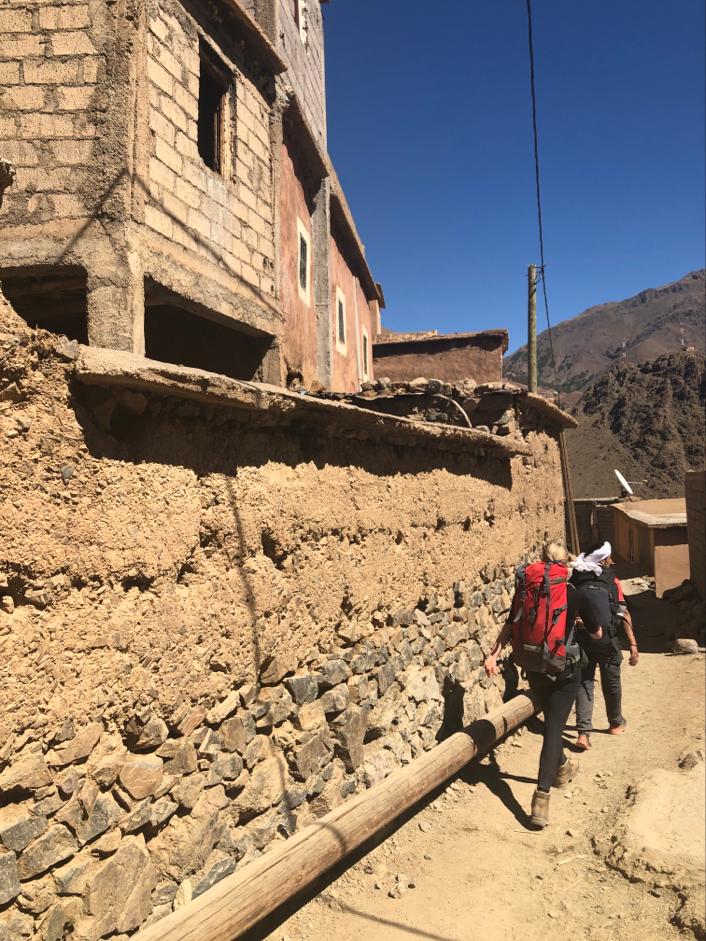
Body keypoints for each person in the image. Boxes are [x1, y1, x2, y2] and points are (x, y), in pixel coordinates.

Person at [484, 542, 602, 829]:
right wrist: (578, 626)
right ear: (565, 566)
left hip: (534, 667)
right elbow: (598, 633)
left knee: (551, 719)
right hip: (564, 670)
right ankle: (541, 798)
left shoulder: (526, 591)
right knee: (554, 729)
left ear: (540, 561)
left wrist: (494, 655)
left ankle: (561, 768)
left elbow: (511, 625)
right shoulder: (574, 594)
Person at [570, 541, 639, 750]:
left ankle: (583, 733)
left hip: (582, 640)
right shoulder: (612, 581)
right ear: (603, 560)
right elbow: (623, 612)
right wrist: (633, 644)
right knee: (612, 682)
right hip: (607, 640)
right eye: (610, 557)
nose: (613, 561)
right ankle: (616, 723)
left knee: (584, 682)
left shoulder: (575, 580)